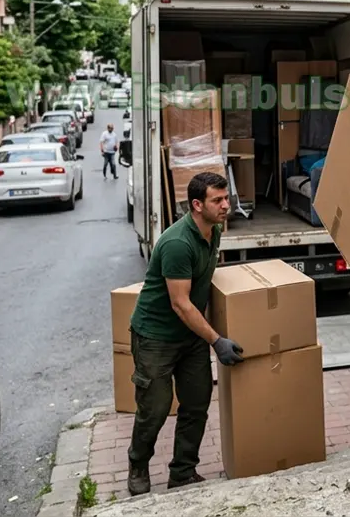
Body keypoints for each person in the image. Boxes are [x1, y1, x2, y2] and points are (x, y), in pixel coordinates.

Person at [126, 172, 245, 496]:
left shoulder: (214, 231)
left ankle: (183, 471)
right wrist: (216, 340)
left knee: (196, 404)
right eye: (217, 200)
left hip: (190, 337)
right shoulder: (178, 243)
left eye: (226, 198)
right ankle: (137, 463)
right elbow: (180, 303)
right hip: (156, 337)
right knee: (156, 408)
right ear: (196, 205)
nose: (225, 205)